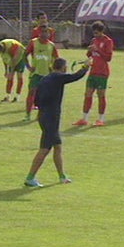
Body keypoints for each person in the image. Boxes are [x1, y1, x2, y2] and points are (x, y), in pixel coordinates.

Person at [24, 58, 90, 187]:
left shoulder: (45, 78)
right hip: (51, 118)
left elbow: (36, 99)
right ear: (63, 68)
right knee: (44, 149)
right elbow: (75, 77)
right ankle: (30, 177)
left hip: (43, 115)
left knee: (57, 146)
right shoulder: (58, 77)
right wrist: (86, 67)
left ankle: (62, 176)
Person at [72, 21, 114, 126]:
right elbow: (90, 55)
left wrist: (98, 50)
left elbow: (108, 58)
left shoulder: (108, 41)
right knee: (88, 94)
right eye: (94, 33)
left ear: (101, 31)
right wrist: (89, 51)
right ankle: (84, 119)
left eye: (97, 33)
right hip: (93, 71)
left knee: (101, 95)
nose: (95, 35)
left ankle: (101, 119)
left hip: (102, 72)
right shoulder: (93, 40)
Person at [24, 25, 59, 121]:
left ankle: (40, 115)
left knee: (43, 96)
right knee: (31, 93)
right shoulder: (33, 43)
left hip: (47, 74)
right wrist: (28, 67)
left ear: (49, 34)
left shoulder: (51, 45)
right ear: (39, 33)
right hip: (35, 73)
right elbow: (24, 55)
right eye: (42, 32)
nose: (44, 34)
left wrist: (54, 69)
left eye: (46, 32)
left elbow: (57, 58)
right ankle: (27, 115)